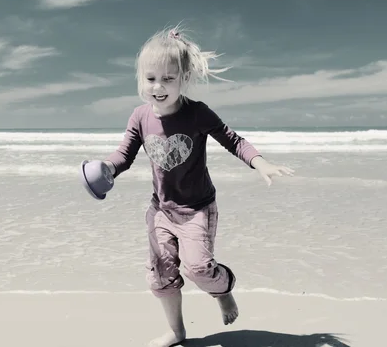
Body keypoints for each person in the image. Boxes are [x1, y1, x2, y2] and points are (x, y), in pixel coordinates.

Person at [101, 25, 295, 347]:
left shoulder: (197, 114)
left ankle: (224, 289)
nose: (158, 87)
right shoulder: (139, 117)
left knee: (199, 269)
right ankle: (177, 331)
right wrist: (107, 167)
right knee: (162, 273)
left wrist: (260, 162)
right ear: (140, 78)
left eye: (168, 79)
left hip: (197, 210)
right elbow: (124, 154)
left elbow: (232, 140)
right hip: (161, 209)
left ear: (184, 78)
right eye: (151, 79)